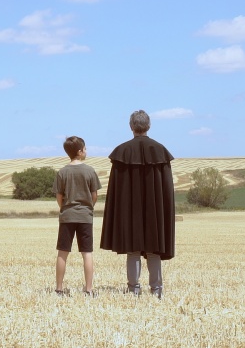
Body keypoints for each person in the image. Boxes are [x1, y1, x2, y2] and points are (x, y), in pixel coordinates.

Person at [100, 110, 175, 298]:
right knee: (154, 248)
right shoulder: (160, 150)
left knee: (133, 249)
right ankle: (156, 290)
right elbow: (167, 189)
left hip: (130, 209)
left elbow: (116, 189)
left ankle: (133, 289)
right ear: (148, 126)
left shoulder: (122, 151)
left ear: (131, 126)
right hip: (155, 209)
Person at [53, 136, 102, 297]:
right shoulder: (89, 171)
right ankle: (88, 289)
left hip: (67, 216)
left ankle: (59, 288)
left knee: (62, 252)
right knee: (87, 253)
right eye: (85, 149)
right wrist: (88, 208)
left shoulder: (62, 172)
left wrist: (65, 208)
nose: (86, 151)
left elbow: (59, 196)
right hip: (85, 216)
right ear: (80, 152)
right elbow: (94, 195)